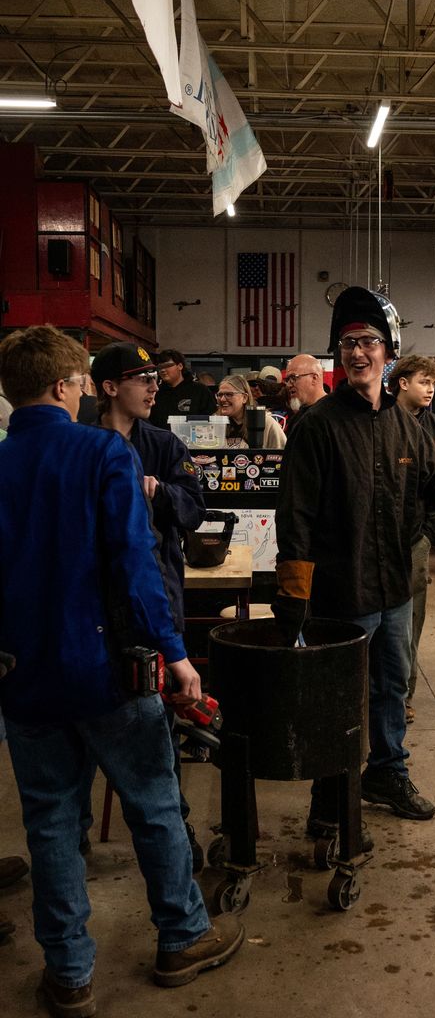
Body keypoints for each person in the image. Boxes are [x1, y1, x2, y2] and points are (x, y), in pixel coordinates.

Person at [0, 326, 243, 1018]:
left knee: (49, 823)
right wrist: (174, 652)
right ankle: (182, 936)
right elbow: (134, 566)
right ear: (64, 386)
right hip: (110, 672)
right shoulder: (102, 451)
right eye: (77, 382)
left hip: (26, 679)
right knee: (154, 807)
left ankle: (70, 974)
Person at [274, 287, 435, 834]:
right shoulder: (317, 426)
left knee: (392, 688)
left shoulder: (405, 424)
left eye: (368, 341)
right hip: (339, 592)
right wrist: (294, 590)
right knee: (338, 701)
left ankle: (386, 773)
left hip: (394, 588)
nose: (357, 352)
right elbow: (295, 515)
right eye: (348, 343)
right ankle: (328, 798)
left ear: (387, 350)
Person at [90, 341, 207, 871]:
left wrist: (158, 491)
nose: (155, 385)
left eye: (157, 377)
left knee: (160, 726)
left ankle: (174, 830)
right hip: (94, 612)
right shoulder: (83, 445)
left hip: (159, 598)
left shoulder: (162, 442)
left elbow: (195, 510)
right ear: (110, 387)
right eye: (142, 378)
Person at [387, 355, 435, 724]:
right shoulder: (377, 419)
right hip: (375, 538)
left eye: (433, 383)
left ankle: (403, 695)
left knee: (410, 621)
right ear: (402, 383)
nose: (430, 389)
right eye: (423, 381)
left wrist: (430, 533)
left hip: (416, 539)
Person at [215, 373, 287, 449]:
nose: (222, 399)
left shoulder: (266, 422)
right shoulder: (215, 423)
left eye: (229, 394)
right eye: (220, 395)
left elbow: (283, 454)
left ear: (244, 398)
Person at [149, 348, 217, 428]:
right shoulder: (156, 392)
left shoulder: (199, 390)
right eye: (160, 367)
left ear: (180, 366)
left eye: (167, 365)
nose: (163, 370)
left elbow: (211, 419)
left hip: (193, 438)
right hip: (161, 439)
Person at [284, 354, 327, 433]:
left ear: (314, 378)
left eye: (294, 378)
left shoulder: (333, 416)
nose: (289, 385)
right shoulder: (296, 419)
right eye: (287, 379)